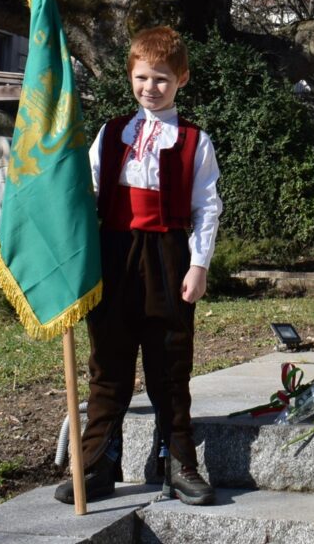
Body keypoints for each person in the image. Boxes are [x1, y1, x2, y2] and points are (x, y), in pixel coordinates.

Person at [55, 26, 222, 506]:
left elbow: (206, 207)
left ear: (182, 79)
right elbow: (82, 194)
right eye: (144, 77)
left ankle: (178, 461)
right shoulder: (110, 134)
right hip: (112, 254)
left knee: (169, 364)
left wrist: (199, 265)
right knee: (108, 363)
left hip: (167, 257)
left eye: (163, 79)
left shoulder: (194, 140)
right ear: (131, 76)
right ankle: (98, 463)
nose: (152, 87)